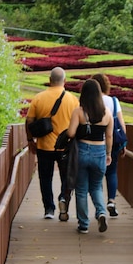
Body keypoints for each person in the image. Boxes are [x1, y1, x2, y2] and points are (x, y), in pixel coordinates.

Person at [26, 67, 79, 220]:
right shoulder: (73, 99)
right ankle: (63, 198)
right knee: (66, 177)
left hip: (44, 146)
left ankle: (49, 209)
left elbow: (29, 121)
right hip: (65, 147)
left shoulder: (39, 98)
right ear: (65, 81)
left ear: (49, 81)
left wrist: (30, 140)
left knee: (45, 178)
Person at [67, 78, 113, 234]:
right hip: (99, 152)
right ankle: (101, 212)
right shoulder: (107, 113)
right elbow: (109, 136)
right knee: (96, 187)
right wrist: (108, 154)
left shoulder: (79, 112)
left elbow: (71, 133)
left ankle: (84, 224)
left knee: (81, 190)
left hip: (82, 150)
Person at [92, 73, 127, 218]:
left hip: (94, 141)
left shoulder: (91, 100)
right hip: (111, 142)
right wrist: (124, 142)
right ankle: (111, 200)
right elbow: (121, 122)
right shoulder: (113, 101)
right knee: (112, 172)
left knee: (97, 175)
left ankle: (99, 205)